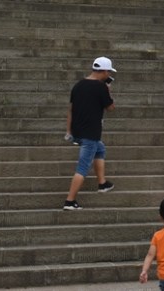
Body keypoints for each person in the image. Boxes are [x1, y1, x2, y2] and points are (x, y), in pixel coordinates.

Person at [63, 56, 116, 210]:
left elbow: (70, 110)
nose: (109, 75)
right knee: (83, 167)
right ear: (104, 71)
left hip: (78, 132)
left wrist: (69, 131)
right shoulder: (101, 87)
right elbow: (111, 108)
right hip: (90, 133)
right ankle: (69, 201)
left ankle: (102, 183)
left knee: (100, 149)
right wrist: (108, 91)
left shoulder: (78, 85)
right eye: (108, 72)